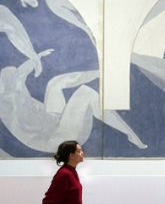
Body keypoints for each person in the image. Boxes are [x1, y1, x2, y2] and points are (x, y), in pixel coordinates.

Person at [0, 49, 147, 153]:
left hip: (51, 124)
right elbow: (29, 127)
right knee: (85, 93)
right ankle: (131, 135)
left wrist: (37, 57)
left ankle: (100, 73)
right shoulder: (5, 104)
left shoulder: (16, 81)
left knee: (54, 83)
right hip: (57, 140)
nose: (19, 82)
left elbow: (23, 70)